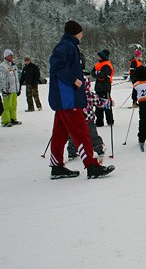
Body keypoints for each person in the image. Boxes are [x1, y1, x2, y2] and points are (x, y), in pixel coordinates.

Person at [48, 20, 114, 179]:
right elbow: (57, 66)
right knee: (81, 131)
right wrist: (74, 80)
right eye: (81, 32)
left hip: (65, 98)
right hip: (68, 99)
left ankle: (56, 167)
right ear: (75, 32)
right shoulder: (66, 46)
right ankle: (92, 166)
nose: (82, 35)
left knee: (59, 134)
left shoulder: (69, 46)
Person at [67, 71, 106, 161]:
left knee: (74, 135)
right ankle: (99, 148)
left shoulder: (72, 95)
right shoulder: (89, 95)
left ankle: (72, 150)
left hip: (75, 120)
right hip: (88, 119)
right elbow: (99, 102)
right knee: (92, 135)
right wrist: (108, 103)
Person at [0, 49, 22, 126]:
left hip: (14, 89)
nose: (11, 57)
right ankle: (5, 121)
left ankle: (13, 119)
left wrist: (18, 88)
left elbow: (16, 78)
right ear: (5, 56)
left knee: (13, 105)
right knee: (6, 106)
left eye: (12, 55)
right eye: (9, 55)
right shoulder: (2, 66)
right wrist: (3, 90)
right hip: (7, 90)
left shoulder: (13, 66)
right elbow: (1, 79)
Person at [92, 49, 114, 127]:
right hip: (98, 87)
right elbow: (92, 73)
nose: (97, 57)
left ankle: (110, 121)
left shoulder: (107, 65)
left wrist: (97, 74)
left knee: (106, 105)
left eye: (99, 56)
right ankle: (99, 122)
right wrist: (97, 75)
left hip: (105, 87)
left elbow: (102, 75)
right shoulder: (97, 64)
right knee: (98, 105)